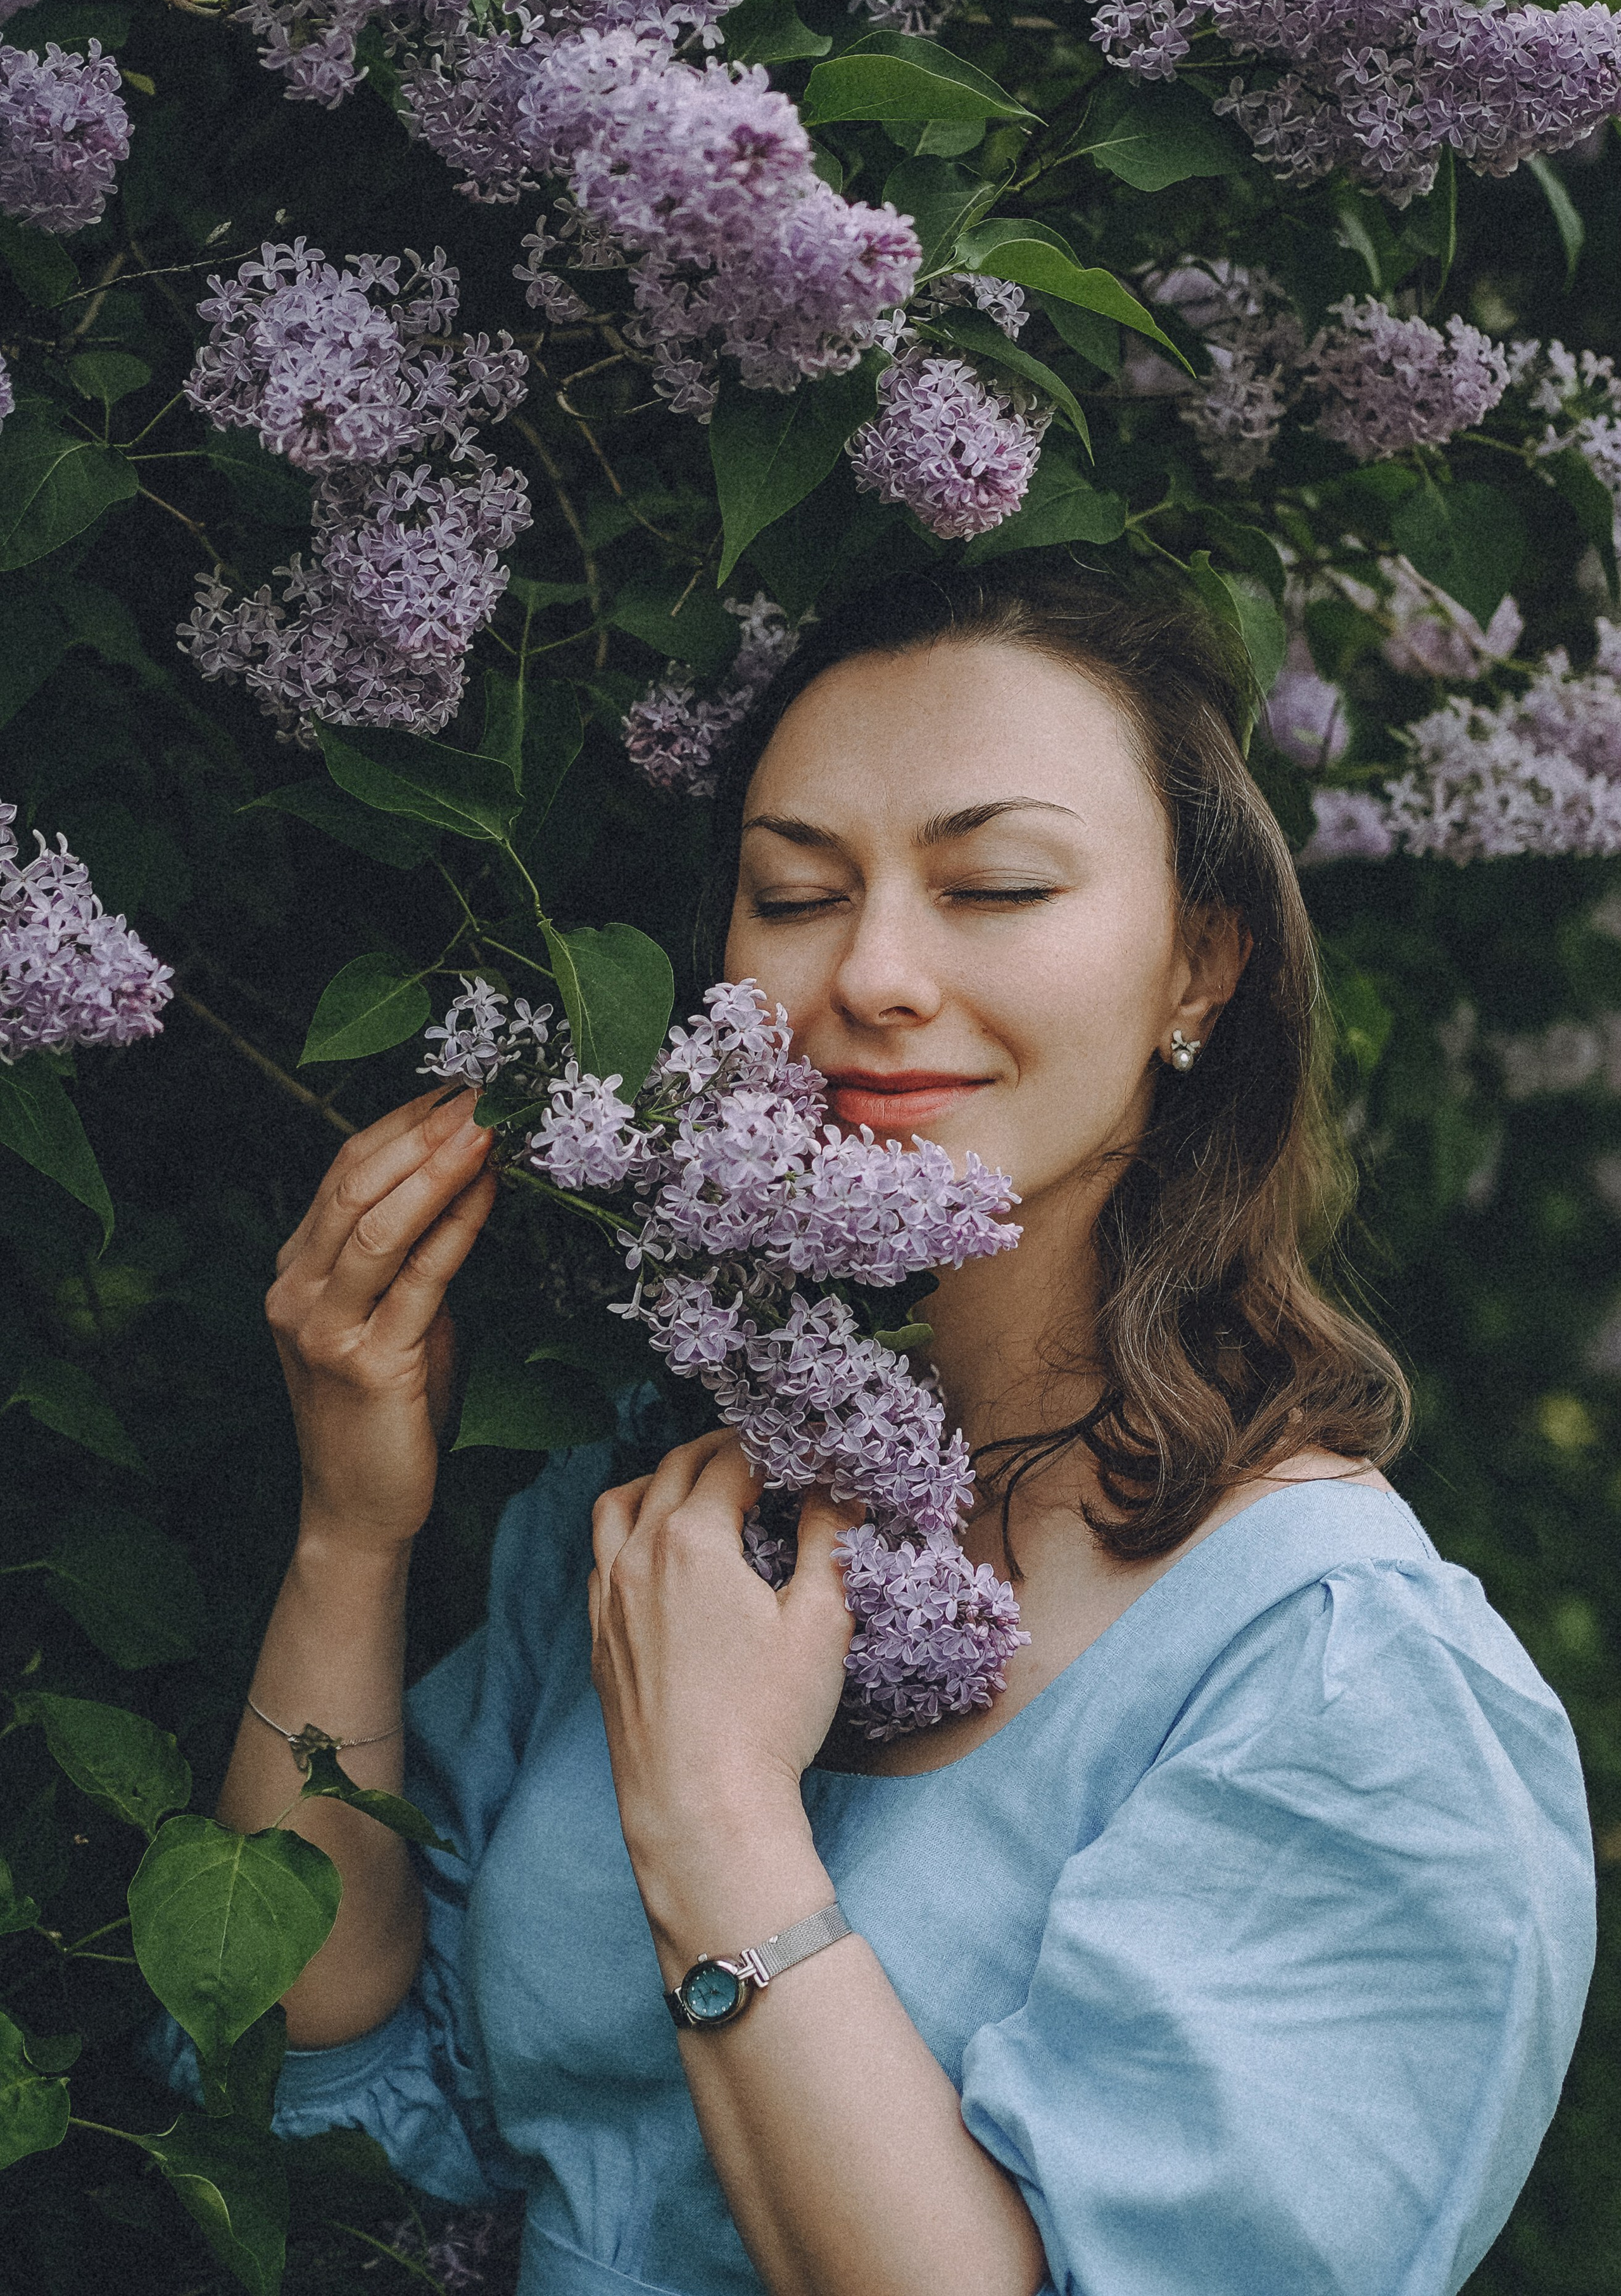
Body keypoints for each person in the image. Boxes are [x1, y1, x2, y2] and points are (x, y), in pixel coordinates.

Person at [153, 567, 1596, 2296]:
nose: (877, 974)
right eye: (795, 893)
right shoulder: (662, 1505)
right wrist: (353, 1533)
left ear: (1199, 961)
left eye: (994, 884)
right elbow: (314, 2094)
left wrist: (715, 1815)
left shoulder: (1342, 1685)